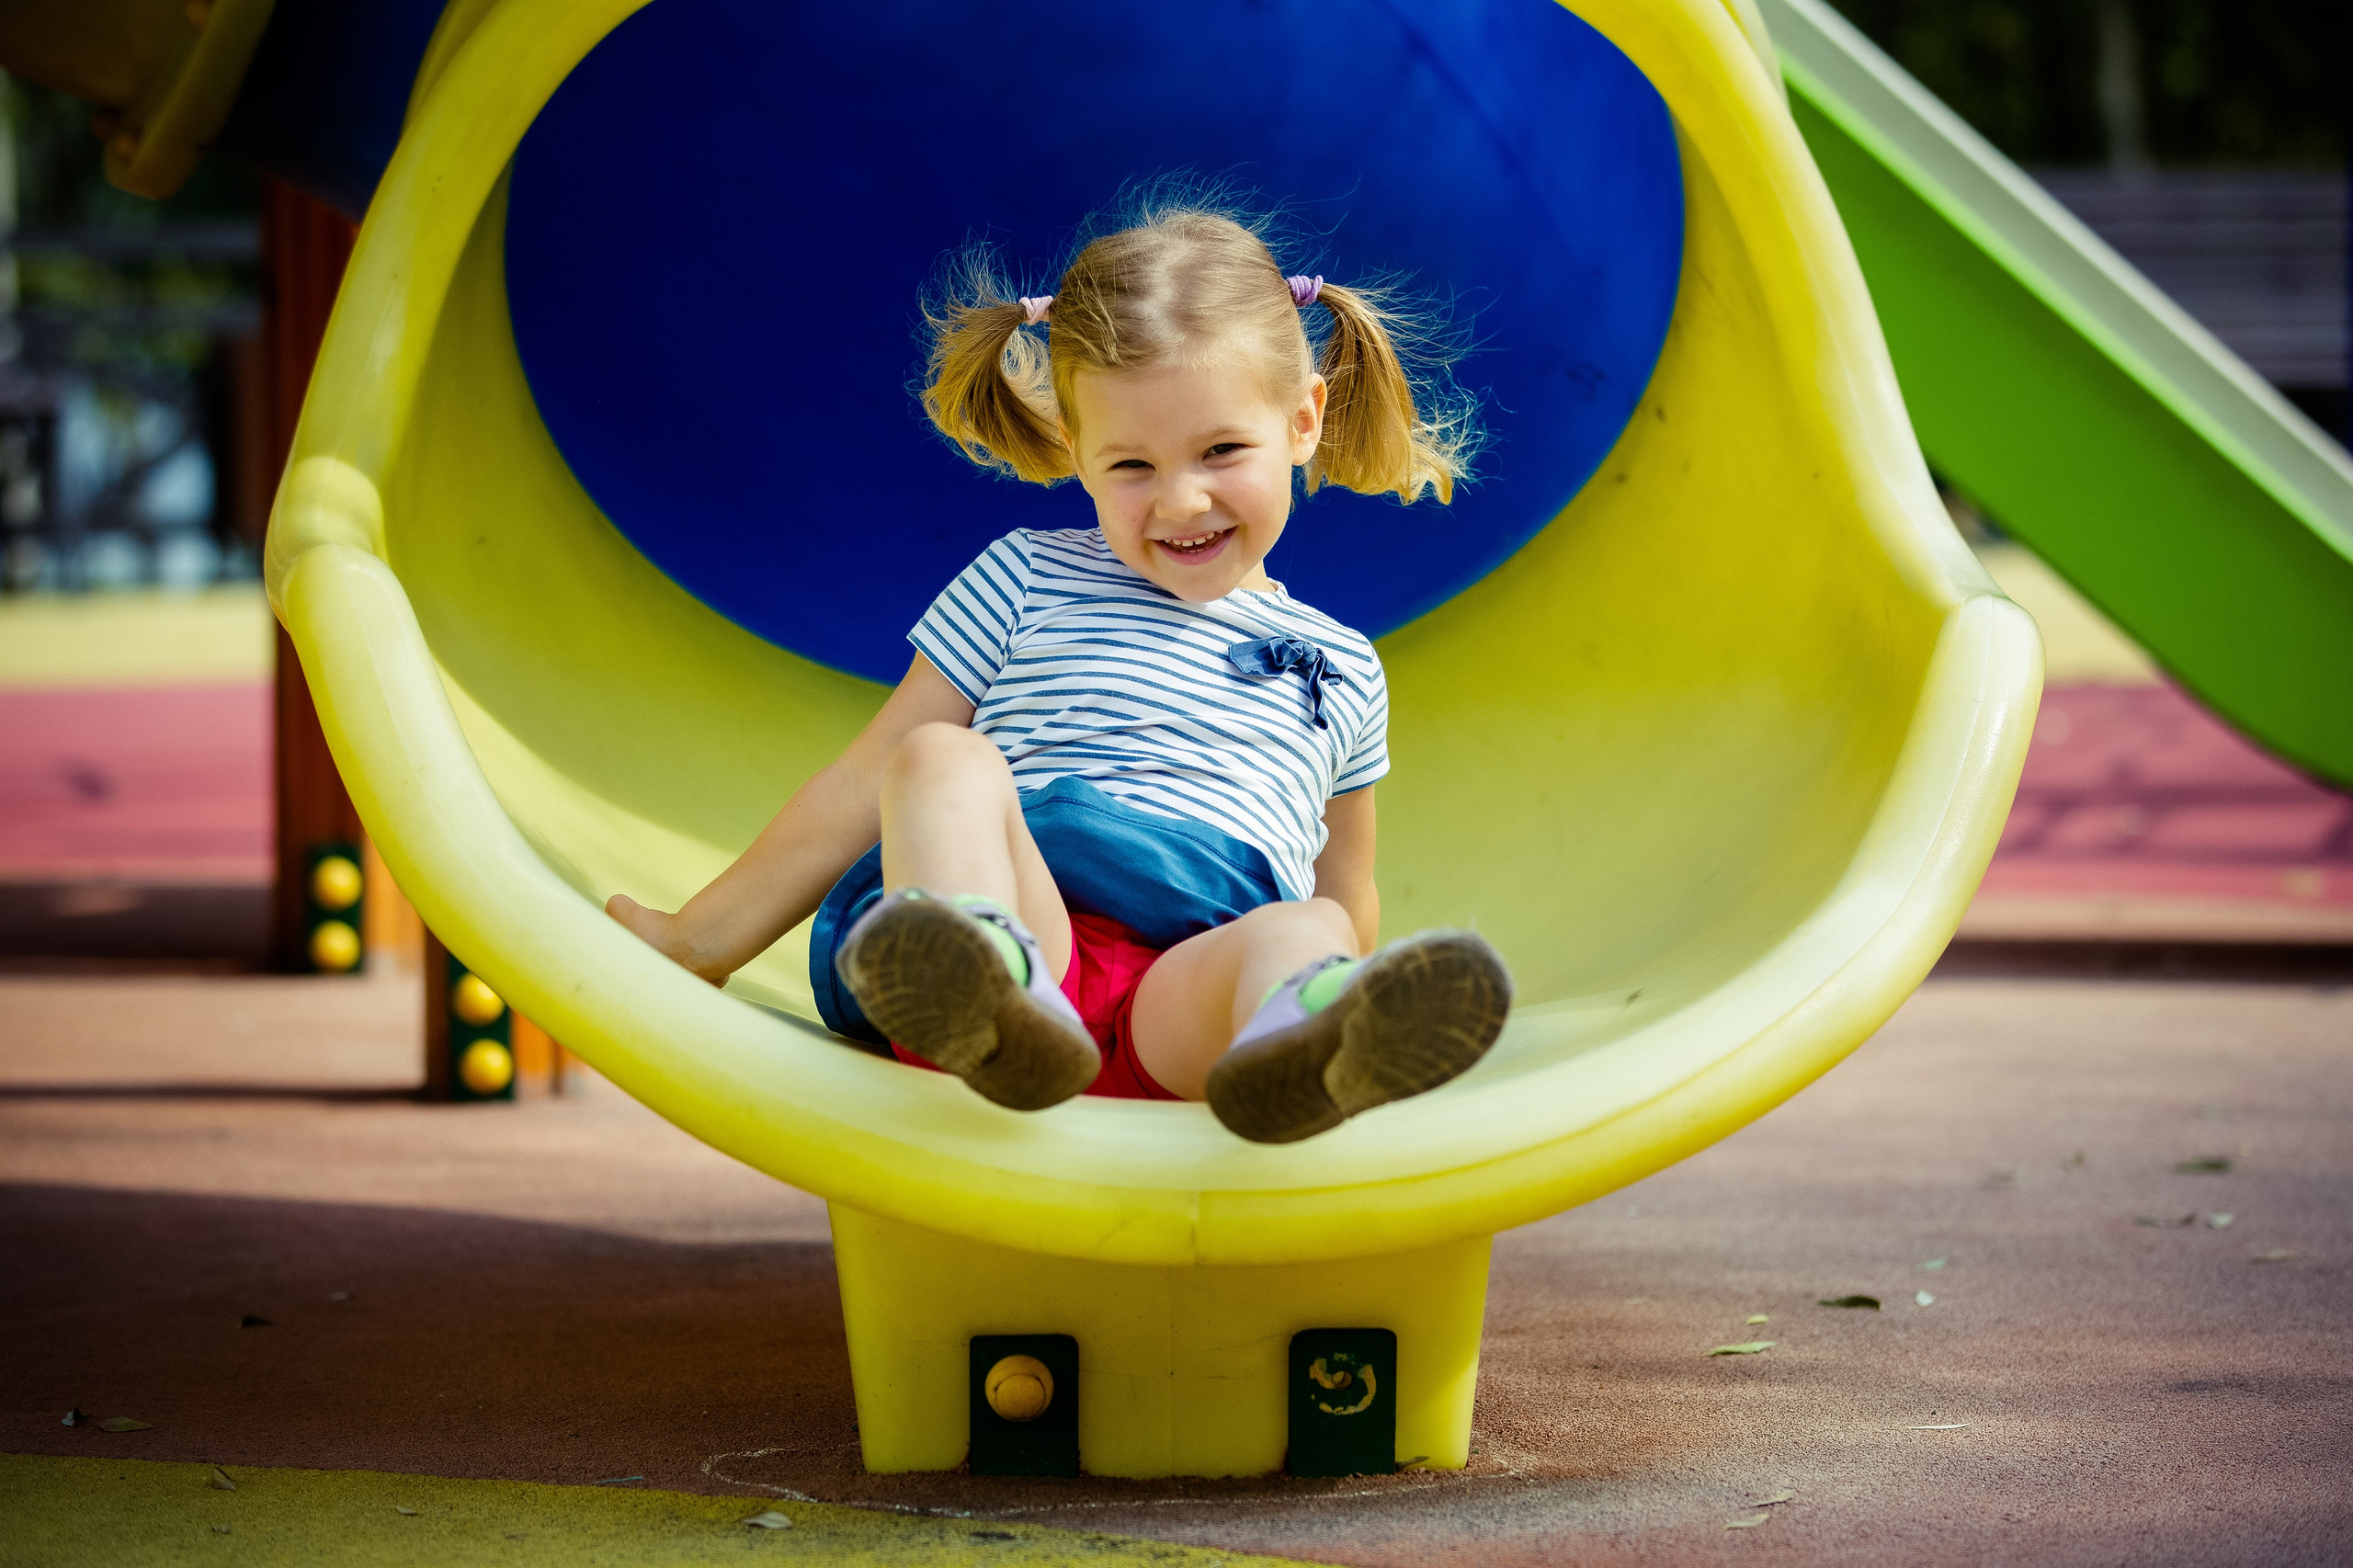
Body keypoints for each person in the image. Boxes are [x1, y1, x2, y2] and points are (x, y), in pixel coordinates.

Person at [607, 199, 1510, 1142]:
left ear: (1303, 419)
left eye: (1221, 450)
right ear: (1075, 451)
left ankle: (1311, 1034)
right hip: (1028, 927)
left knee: (1314, 928)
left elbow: (1347, 884)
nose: (1180, 498)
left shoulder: (1342, 665)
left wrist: (1330, 956)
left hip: (1186, 996)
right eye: (1129, 463)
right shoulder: (1026, 577)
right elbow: (862, 780)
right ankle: (990, 988)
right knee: (933, 762)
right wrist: (696, 941)